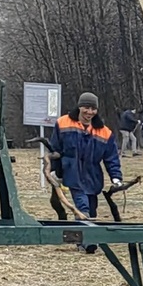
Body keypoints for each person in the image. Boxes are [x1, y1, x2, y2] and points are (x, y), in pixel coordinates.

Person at [50, 92, 122, 220]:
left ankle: (87, 237)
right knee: (83, 208)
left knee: (92, 210)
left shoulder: (105, 132)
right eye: (86, 108)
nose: (90, 112)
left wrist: (116, 177)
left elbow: (111, 158)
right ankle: (84, 223)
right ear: (79, 107)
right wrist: (55, 171)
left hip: (92, 177)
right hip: (71, 172)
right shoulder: (62, 123)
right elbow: (55, 149)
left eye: (93, 108)